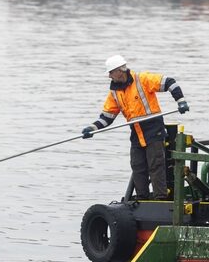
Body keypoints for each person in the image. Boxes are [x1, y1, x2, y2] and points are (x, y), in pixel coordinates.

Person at [81, 55, 189, 200]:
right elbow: (107, 117)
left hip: (153, 129)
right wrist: (92, 128)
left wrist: (181, 101)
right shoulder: (115, 92)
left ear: (119, 71)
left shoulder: (142, 79)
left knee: (155, 166)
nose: (109, 76)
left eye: (110, 73)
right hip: (136, 132)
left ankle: (160, 199)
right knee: (137, 166)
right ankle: (142, 198)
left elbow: (170, 82)